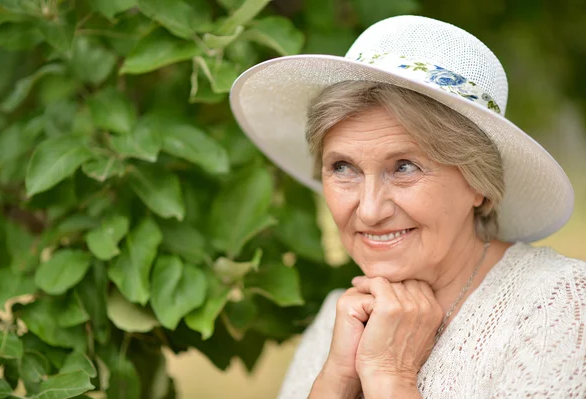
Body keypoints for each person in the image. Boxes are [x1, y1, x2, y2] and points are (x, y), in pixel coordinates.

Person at [229, 15, 586, 398]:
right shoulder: (345, 313)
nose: (368, 211)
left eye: (404, 167)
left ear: (478, 184)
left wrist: (389, 376)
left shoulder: (559, 305)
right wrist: (337, 378)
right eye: (343, 167)